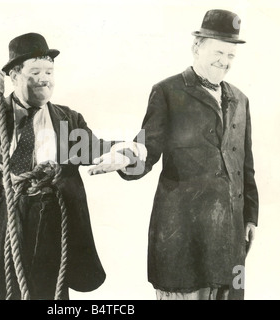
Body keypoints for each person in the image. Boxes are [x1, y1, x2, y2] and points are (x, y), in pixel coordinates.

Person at [0, 32, 135, 300]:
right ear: (14, 76)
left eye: (49, 72)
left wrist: (128, 153)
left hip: (49, 228)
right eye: (35, 72)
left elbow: (97, 149)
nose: (45, 79)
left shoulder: (67, 121)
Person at [90, 9, 259, 300]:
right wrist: (127, 158)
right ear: (197, 47)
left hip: (229, 239)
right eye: (219, 52)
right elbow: (148, 148)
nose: (225, 62)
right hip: (182, 237)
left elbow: (246, 166)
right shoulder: (167, 91)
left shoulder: (241, 99)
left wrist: (251, 218)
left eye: (231, 56)